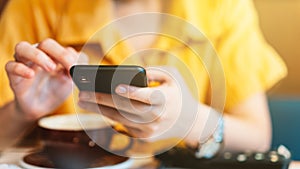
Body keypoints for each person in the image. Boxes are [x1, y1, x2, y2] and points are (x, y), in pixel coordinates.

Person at [0, 0, 287, 157]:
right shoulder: (34, 6)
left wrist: (189, 120)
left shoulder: (222, 7)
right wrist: (21, 112)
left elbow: (257, 137)